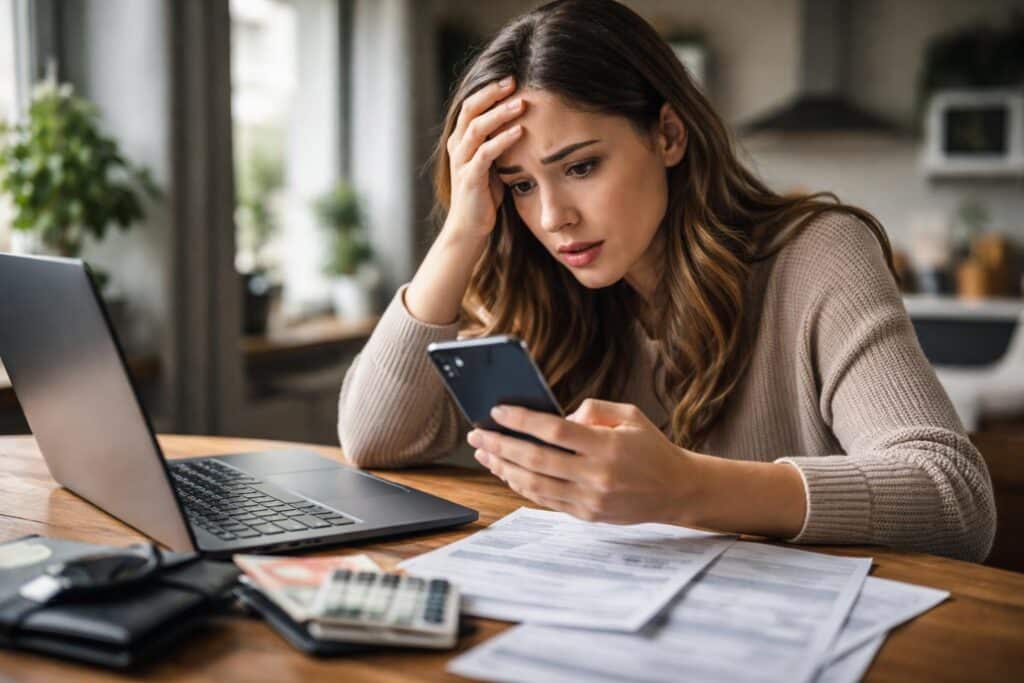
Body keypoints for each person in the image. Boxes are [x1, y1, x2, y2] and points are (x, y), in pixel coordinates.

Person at [338, 0, 995, 562]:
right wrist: (460, 231)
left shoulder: (817, 254)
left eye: (582, 166)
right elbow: (373, 441)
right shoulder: (533, 282)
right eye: (519, 185)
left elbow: (955, 498)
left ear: (669, 134)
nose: (552, 216)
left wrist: (685, 487)